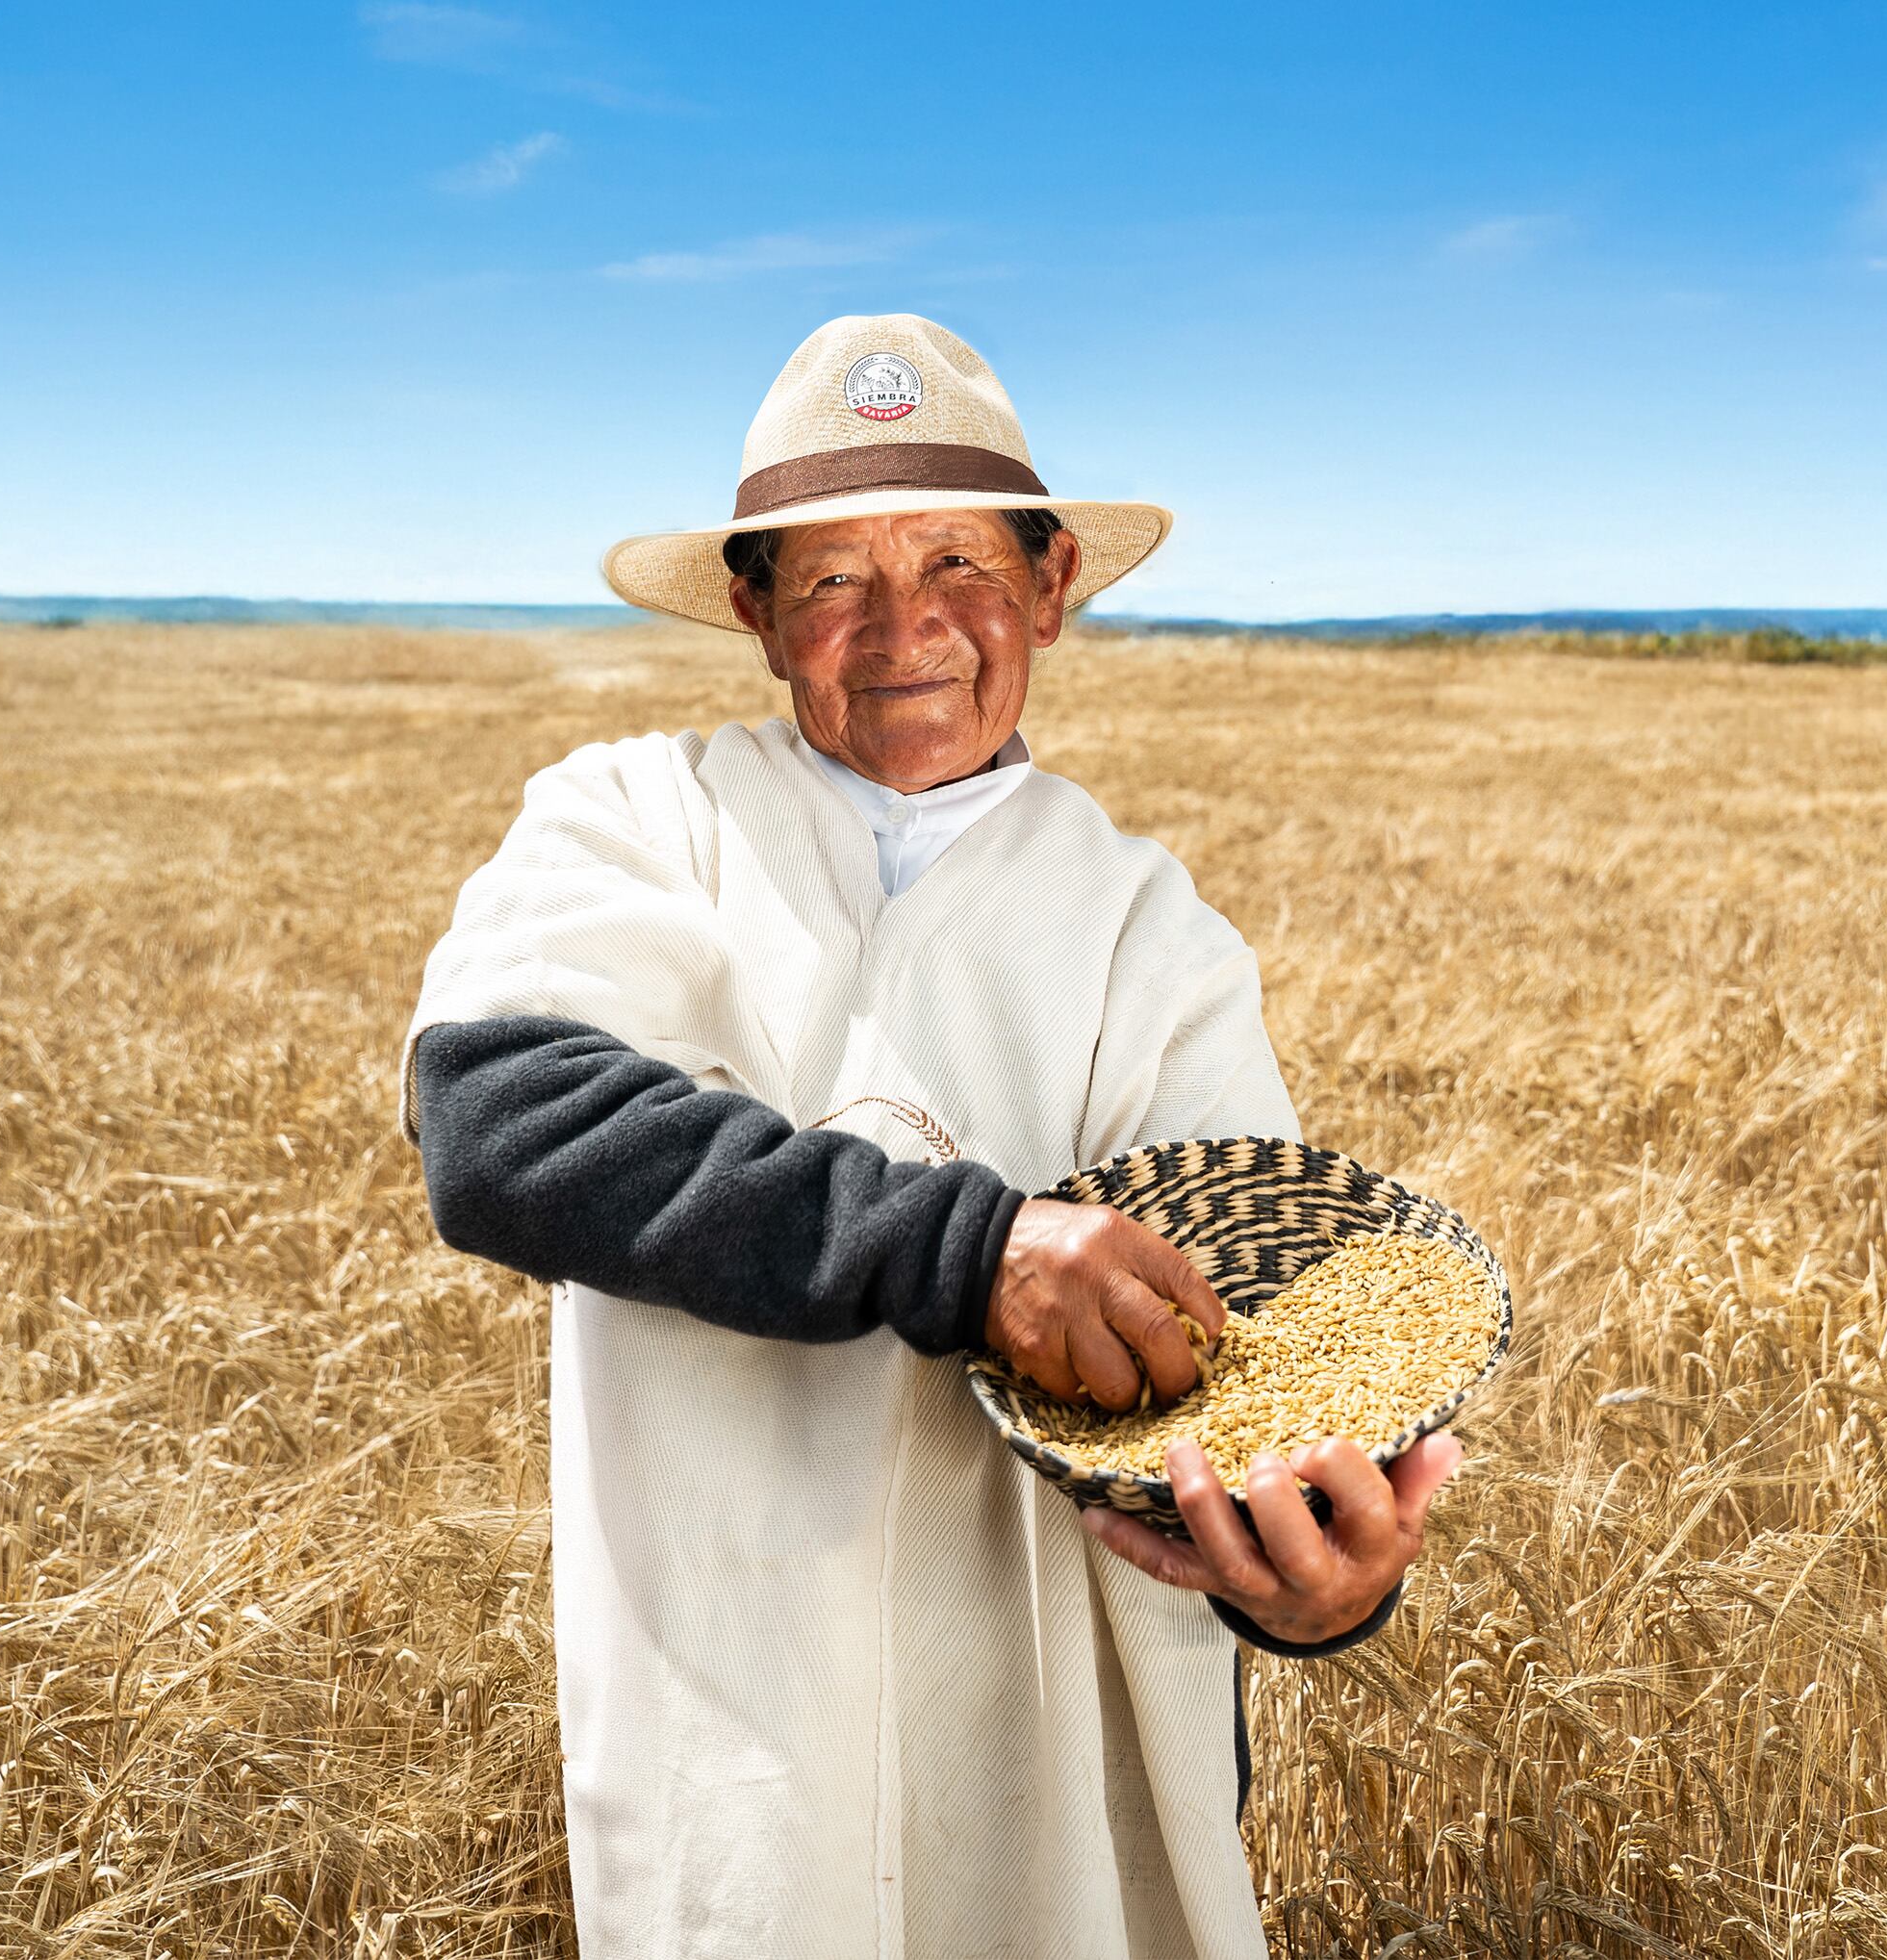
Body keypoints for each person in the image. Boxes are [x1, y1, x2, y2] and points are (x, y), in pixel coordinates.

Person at [399, 313, 1461, 1960]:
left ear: (1050, 586)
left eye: (960, 560)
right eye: (833, 579)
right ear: (755, 613)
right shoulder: (630, 823)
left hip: (1063, 1798)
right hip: (733, 1763)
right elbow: (497, 1125)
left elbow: (1260, 1375)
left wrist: (1323, 1578)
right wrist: (973, 1257)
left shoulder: (1147, 937)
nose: (906, 629)